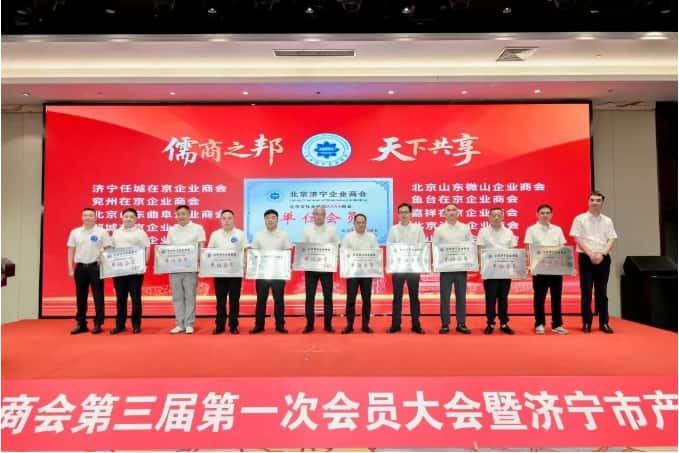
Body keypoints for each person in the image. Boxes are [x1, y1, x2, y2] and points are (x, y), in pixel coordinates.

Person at [569, 190, 618, 334]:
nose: (595, 203)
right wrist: (590, 254)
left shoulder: (607, 221)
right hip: (586, 257)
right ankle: (586, 322)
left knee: (602, 292)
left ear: (602, 202)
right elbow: (577, 238)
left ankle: (604, 323)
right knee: (586, 291)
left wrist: (602, 254)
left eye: (598, 200)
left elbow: (611, 239)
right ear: (588, 201)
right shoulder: (580, 219)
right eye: (592, 200)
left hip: (603, 258)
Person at [524, 204, 568, 335]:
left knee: (556, 297)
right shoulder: (531, 230)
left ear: (551, 215)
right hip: (539, 269)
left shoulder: (557, 229)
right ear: (537, 214)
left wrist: (565, 266)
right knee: (539, 297)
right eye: (542, 213)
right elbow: (528, 249)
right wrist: (530, 265)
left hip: (555, 269)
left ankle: (557, 324)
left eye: (547, 213)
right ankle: (539, 323)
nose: (545, 215)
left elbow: (562, 248)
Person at [67, 207, 112, 334]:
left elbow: (108, 247)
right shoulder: (75, 232)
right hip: (80, 267)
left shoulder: (102, 232)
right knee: (81, 296)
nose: (88, 217)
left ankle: (98, 323)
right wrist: (70, 268)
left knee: (98, 296)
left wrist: (102, 257)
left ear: (95, 217)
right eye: (85, 215)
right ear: (82, 217)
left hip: (96, 267)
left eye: (90, 215)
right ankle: (81, 323)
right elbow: (70, 250)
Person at [250, 209, 292, 334]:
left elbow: (287, 252)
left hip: (278, 274)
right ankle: (259, 325)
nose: (270, 220)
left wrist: (285, 269)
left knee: (279, 300)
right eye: (268, 218)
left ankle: (280, 325)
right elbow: (254, 253)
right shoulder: (258, 235)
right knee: (261, 300)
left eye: (273, 217)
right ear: (264, 220)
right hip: (262, 273)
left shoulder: (283, 234)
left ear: (277, 220)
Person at [433, 204, 473, 335]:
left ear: (458, 213)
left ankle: (461, 323)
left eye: (454, 210)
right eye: (448, 210)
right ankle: (445, 324)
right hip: (446, 269)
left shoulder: (465, 228)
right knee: (445, 296)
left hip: (461, 268)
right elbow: (435, 247)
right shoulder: (439, 229)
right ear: (444, 213)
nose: (451, 212)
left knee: (461, 296)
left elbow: (470, 246)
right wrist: (436, 264)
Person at [165, 205, 206, 335]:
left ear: (189, 214)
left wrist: (197, 262)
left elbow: (201, 246)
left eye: (183, 214)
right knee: (177, 297)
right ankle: (179, 324)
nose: (181, 216)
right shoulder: (172, 230)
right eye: (178, 214)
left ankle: (189, 324)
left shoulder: (197, 228)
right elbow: (167, 248)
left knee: (189, 296)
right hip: (175, 268)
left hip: (191, 268)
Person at [477, 207, 518, 335]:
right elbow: (480, 250)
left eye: (498, 215)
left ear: (503, 217)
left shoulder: (509, 232)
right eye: (493, 215)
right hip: (489, 270)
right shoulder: (483, 232)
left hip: (505, 270)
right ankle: (490, 323)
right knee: (490, 298)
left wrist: (514, 268)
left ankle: (504, 323)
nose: (496, 217)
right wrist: (481, 267)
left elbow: (513, 251)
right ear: (489, 217)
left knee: (503, 298)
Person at [387, 202, 426, 334]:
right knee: (397, 297)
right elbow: (390, 248)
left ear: (410, 214)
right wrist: (390, 266)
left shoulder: (418, 229)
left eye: (406, 212)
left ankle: (416, 324)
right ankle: (395, 325)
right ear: (398, 214)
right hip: (398, 269)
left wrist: (421, 264)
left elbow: (422, 247)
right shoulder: (393, 230)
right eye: (401, 212)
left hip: (413, 269)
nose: (404, 214)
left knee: (414, 297)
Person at [207, 209, 248, 335]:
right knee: (221, 300)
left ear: (233, 219)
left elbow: (245, 250)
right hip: (219, 273)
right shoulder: (215, 234)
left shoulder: (240, 234)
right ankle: (219, 325)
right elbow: (209, 252)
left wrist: (245, 265)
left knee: (234, 300)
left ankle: (233, 325)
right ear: (221, 220)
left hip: (235, 273)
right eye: (224, 218)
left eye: (229, 218)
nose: (227, 221)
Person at [110, 208, 150, 335]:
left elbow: (147, 247)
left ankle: (136, 325)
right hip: (119, 271)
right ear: (122, 218)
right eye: (126, 216)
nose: (128, 219)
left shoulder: (140, 233)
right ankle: (120, 325)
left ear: (136, 219)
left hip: (135, 271)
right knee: (120, 298)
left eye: (131, 217)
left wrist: (145, 262)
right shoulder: (116, 232)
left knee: (135, 298)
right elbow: (111, 249)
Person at [300, 206, 340, 334]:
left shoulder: (332, 230)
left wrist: (335, 260)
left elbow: (337, 246)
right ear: (313, 215)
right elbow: (302, 248)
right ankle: (309, 324)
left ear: (325, 216)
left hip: (326, 269)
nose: (319, 216)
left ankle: (328, 325)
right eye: (316, 214)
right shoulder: (306, 230)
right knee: (309, 297)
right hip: (310, 269)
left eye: (321, 214)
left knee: (328, 297)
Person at [340, 213, 380, 334]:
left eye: (363, 222)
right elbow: (343, 253)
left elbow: (376, 253)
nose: (361, 225)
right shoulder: (348, 237)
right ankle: (349, 325)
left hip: (367, 273)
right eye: (358, 222)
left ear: (366, 223)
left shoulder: (371, 237)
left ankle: (365, 325)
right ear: (354, 223)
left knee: (366, 300)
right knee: (350, 300)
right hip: (352, 274)